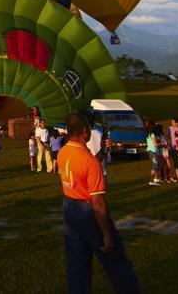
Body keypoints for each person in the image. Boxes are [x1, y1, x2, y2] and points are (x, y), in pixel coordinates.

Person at [57, 112, 140, 294]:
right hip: (88, 211)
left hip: (70, 209)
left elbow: (84, 170)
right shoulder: (89, 161)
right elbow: (98, 201)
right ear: (85, 131)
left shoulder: (63, 153)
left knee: (77, 266)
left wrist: (102, 152)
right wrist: (106, 233)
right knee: (117, 261)